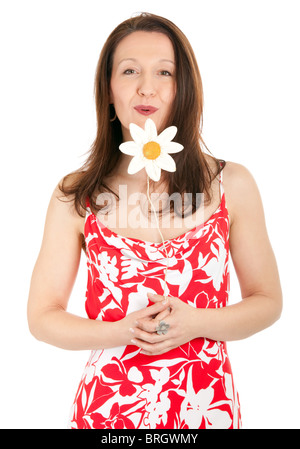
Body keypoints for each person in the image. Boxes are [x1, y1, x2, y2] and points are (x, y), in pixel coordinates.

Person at [27, 12, 282, 429]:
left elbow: (268, 302)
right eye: (129, 71)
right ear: (108, 89)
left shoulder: (232, 184)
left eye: (164, 72)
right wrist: (122, 332)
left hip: (206, 408)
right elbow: (41, 317)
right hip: (108, 412)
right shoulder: (75, 195)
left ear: (184, 88)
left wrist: (197, 322)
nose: (146, 87)